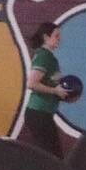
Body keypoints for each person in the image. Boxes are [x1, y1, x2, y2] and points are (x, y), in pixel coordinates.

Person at [22, 22, 70, 158]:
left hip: (43, 114)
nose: (59, 39)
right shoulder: (44, 56)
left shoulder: (49, 57)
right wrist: (55, 91)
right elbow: (32, 83)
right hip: (38, 114)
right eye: (56, 36)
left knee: (51, 156)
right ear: (45, 37)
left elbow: (51, 84)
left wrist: (63, 94)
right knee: (52, 157)